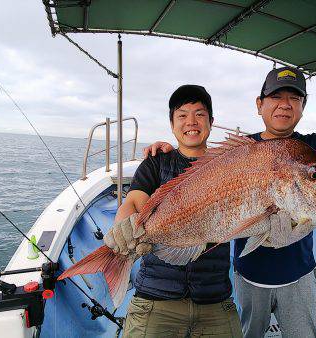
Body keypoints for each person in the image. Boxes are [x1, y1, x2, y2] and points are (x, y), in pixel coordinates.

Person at [142, 65, 316, 338]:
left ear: (303, 106)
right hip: (248, 278)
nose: (285, 105)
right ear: (259, 104)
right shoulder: (240, 151)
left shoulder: (310, 147)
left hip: (299, 277)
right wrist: (163, 148)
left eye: (295, 98)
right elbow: (197, 165)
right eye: (276, 97)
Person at [103, 85, 243, 338]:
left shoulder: (230, 165)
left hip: (215, 299)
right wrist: (123, 228)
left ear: (211, 122)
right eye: (182, 115)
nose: (191, 121)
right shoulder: (156, 161)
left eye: (200, 114)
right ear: (171, 123)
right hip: (155, 299)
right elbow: (134, 201)